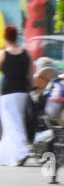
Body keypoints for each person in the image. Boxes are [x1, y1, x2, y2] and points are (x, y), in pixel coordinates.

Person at [0, 25, 32, 165]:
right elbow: (30, 75)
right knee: (16, 122)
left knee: (11, 124)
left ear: (6, 37)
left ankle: (21, 152)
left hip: (8, 93)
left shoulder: (3, 54)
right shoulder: (26, 53)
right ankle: (7, 156)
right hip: (23, 92)